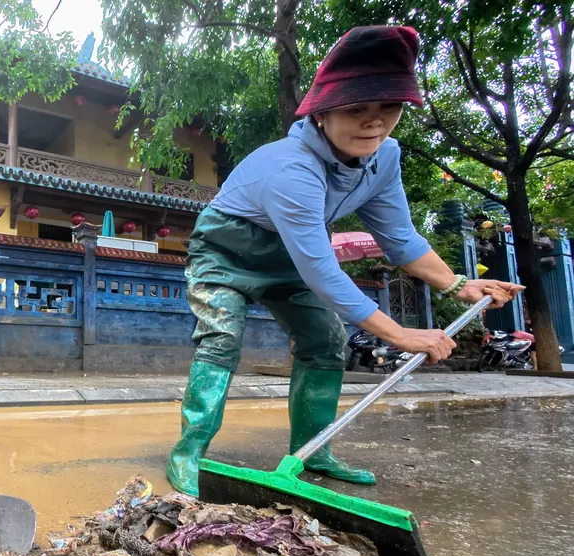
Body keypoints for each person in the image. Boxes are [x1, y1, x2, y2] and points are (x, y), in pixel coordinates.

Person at [167, 26, 524, 496]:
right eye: (357, 109)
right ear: (321, 114)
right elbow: (320, 269)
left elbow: (400, 238)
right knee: (223, 336)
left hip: (288, 261)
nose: (374, 123)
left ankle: (313, 451)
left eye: (388, 108)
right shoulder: (292, 168)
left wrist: (458, 285)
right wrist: (400, 335)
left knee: (326, 340)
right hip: (225, 253)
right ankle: (189, 452)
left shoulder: (383, 158)